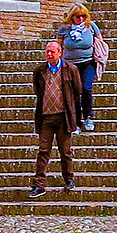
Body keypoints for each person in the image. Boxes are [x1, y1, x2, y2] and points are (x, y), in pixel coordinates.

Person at [28, 39, 85, 198]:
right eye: (47, 51)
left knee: (65, 151)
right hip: (46, 117)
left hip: (63, 117)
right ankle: (38, 184)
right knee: (43, 151)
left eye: (52, 51)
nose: (49, 54)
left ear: (60, 53)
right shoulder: (40, 71)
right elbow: (38, 91)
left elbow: (77, 90)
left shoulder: (70, 69)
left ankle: (69, 179)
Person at [56, 6, 105, 131]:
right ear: (72, 16)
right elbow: (58, 46)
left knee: (86, 88)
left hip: (87, 63)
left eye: (83, 16)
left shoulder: (91, 26)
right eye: (78, 16)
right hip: (70, 65)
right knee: (74, 92)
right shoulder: (64, 28)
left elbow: (100, 43)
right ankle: (76, 121)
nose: (81, 19)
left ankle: (88, 116)